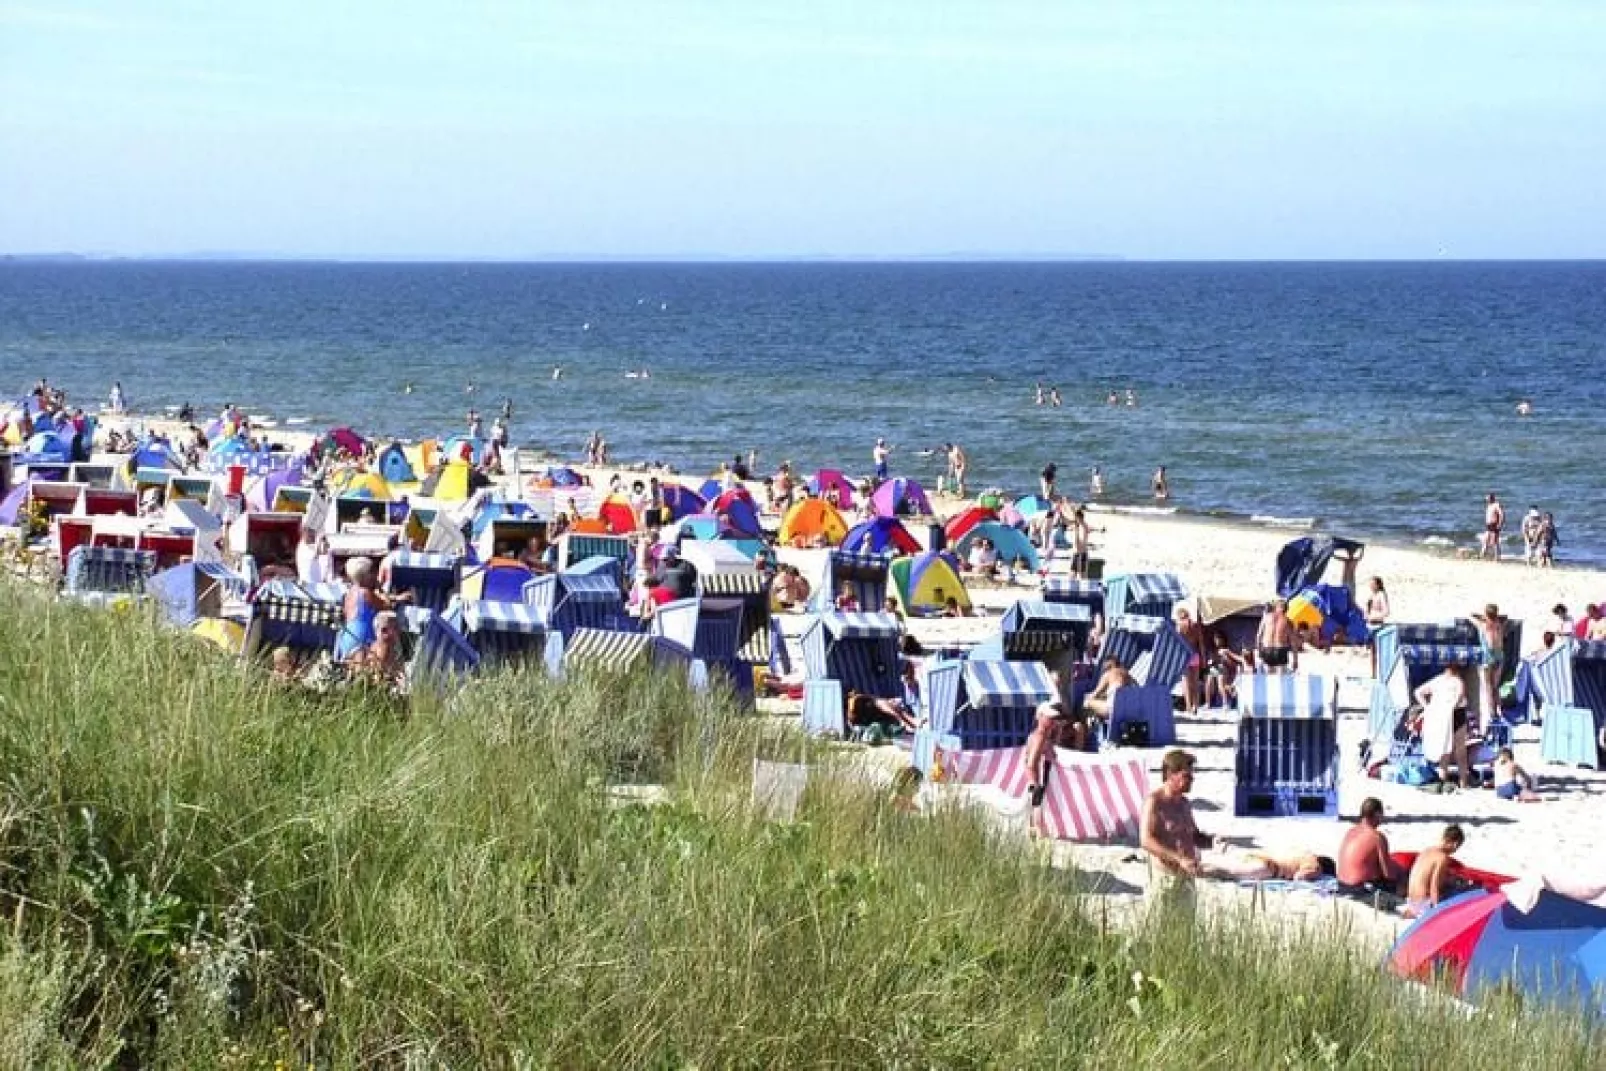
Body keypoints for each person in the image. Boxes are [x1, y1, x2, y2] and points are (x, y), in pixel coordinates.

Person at [1140, 750, 1212, 918]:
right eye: (1186, 776)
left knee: (1186, 934)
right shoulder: (1155, 802)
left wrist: (1211, 841)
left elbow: (1192, 836)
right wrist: (1179, 859)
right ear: (1171, 774)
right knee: (1157, 934)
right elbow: (1146, 840)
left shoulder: (1184, 803)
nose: (1192, 779)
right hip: (1164, 878)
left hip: (1186, 879)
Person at [1024, 671, 1087, 822]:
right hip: (1038, 777)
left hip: (1045, 768)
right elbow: (1031, 764)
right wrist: (1034, 784)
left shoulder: (1045, 732)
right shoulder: (1039, 735)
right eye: (1050, 719)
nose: (1053, 721)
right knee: (1039, 800)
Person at [334, 557, 409, 663]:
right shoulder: (365, 593)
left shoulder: (350, 593)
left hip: (347, 639)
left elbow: (376, 599)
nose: (375, 575)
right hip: (362, 639)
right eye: (372, 572)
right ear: (364, 577)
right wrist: (381, 589)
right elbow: (386, 606)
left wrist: (395, 597)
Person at [1336, 797, 1405, 903]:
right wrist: (1400, 872)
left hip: (1341, 886)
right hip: (1360, 890)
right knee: (1401, 882)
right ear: (1377, 814)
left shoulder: (1350, 831)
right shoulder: (1377, 837)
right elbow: (1388, 874)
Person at [1414, 662, 1470, 790]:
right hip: (1455, 714)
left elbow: (1418, 692)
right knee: (1460, 750)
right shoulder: (1457, 681)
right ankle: (1463, 783)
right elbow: (1460, 696)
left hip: (1442, 715)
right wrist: (1450, 707)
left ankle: (1442, 781)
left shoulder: (1437, 681)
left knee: (1445, 750)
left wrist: (1427, 707)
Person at [1404, 825, 1466, 917]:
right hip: (1423, 905)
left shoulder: (1427, 850)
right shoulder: (1442, 858)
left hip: (1411, 901)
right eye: (1458, 847)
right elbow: (1434, 887)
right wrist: (1436, 912)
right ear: (1455, 844)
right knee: (1461, 894)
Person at [1473, 604, 1505, 727]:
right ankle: (1500, 711)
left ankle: (1492, 715)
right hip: (1499, 656)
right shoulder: (1500, 625)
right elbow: (1504, 617)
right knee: (1496, 687)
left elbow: (1470, 615)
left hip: (1488, 657)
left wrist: (1481, 617)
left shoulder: (1482, 625)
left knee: (1488, 687)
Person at [1174, 606, 1205, 714]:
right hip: (1195, 655)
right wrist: (1203, 658)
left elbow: (1177, 643)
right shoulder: (1195, 626)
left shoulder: (1179, 626)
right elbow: (1201, 644)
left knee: (1186, 682)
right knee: (1195, 682)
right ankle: (1195, 706)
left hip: (1184, 655)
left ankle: (1188, 706)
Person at [1081, 657, 1132, 721]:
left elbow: (1095, 693)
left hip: (1114, 710)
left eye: (1105, 667)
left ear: (1111, 664)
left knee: (1087, 701)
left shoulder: (1109, 673)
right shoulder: (1128, 675)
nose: (1104, 669)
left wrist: (1088, 697)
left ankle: (1084, 724)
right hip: (1131, 710)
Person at [1256, 599, 1299, 673]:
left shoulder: (1266, 618)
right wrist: (1295, 660)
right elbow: (1293, 642)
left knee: (1269, 680)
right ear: (1286, 609)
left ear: (1276, 607)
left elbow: (1258, 636)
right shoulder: (1288, 621)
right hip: (1280, 650)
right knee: (1282, 680)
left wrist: (1259, 653)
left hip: (1267, 650)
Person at [1481, 492, 1504, 560]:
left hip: (1494, 525)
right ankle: (1483, 555)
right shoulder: (1489, 505)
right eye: (1486, 498)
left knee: (1494, 542)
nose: (1487, 499)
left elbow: (1501, 514)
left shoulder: (1496, 505)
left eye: (1488, 498)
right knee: (1486, 540)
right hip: (1489, 525)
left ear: (1492, 498)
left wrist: (1500, 524)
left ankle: (1497, 557)